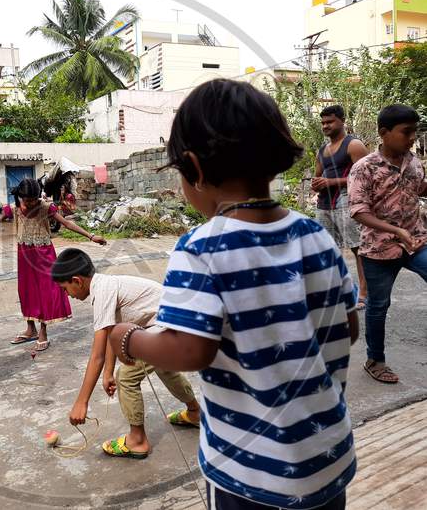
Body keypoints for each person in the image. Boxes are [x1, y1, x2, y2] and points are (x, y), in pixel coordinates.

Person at [109, 79, 359, 509]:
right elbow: (349, 328)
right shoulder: (315, 235)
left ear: (194, 168)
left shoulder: (201, 247)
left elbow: (189, 351)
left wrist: (127, 339)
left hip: (250, 470)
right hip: (327, 458)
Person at [51, 248, 200, 459]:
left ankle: (137, 440)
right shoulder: (105, 285)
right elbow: (114, 333)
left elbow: (97, 354)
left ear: (77, 280)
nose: (67, 295)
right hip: (177, 323)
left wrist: (81, 402)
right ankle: (194, 412)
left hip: (172, 326)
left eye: (65, 289)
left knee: (127, 376)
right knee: (164, 369)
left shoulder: (101, 291)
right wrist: (107, 373)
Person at [0, 178, 106, 351]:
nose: (32, 203)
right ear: (20, 197)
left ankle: (43, 331)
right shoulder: (14, 209)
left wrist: (91, 236)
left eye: (34, 199)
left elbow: (67, 223)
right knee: (27, 290)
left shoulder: (46, 207)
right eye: (28, 200)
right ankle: (30, 328)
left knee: (45, 292)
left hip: (44, 254)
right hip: (24, 255)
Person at [348, 104, 427, 384]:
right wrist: (395, 230)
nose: (412, 138)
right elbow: (358, 210)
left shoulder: (414, 162)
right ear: (384, 133)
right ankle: (375, 360)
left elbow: (420, 188)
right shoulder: (364, 168)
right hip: (379, 249)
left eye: (414, 132)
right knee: (378, 306)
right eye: (406, 132)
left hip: (416, 241)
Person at [311, 105, 369, 308]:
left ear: (342, 121)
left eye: (330, 122)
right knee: (327, 249)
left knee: (357, 249)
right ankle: (340, 292)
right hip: (324, 204)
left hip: (347, 202)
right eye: (323, 123)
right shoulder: (322, 149)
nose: (325, 126)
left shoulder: (353, 145)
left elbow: (365, 179)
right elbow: (317, 175)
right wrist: (315, 183)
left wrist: (331, 182)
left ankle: (363, 293)